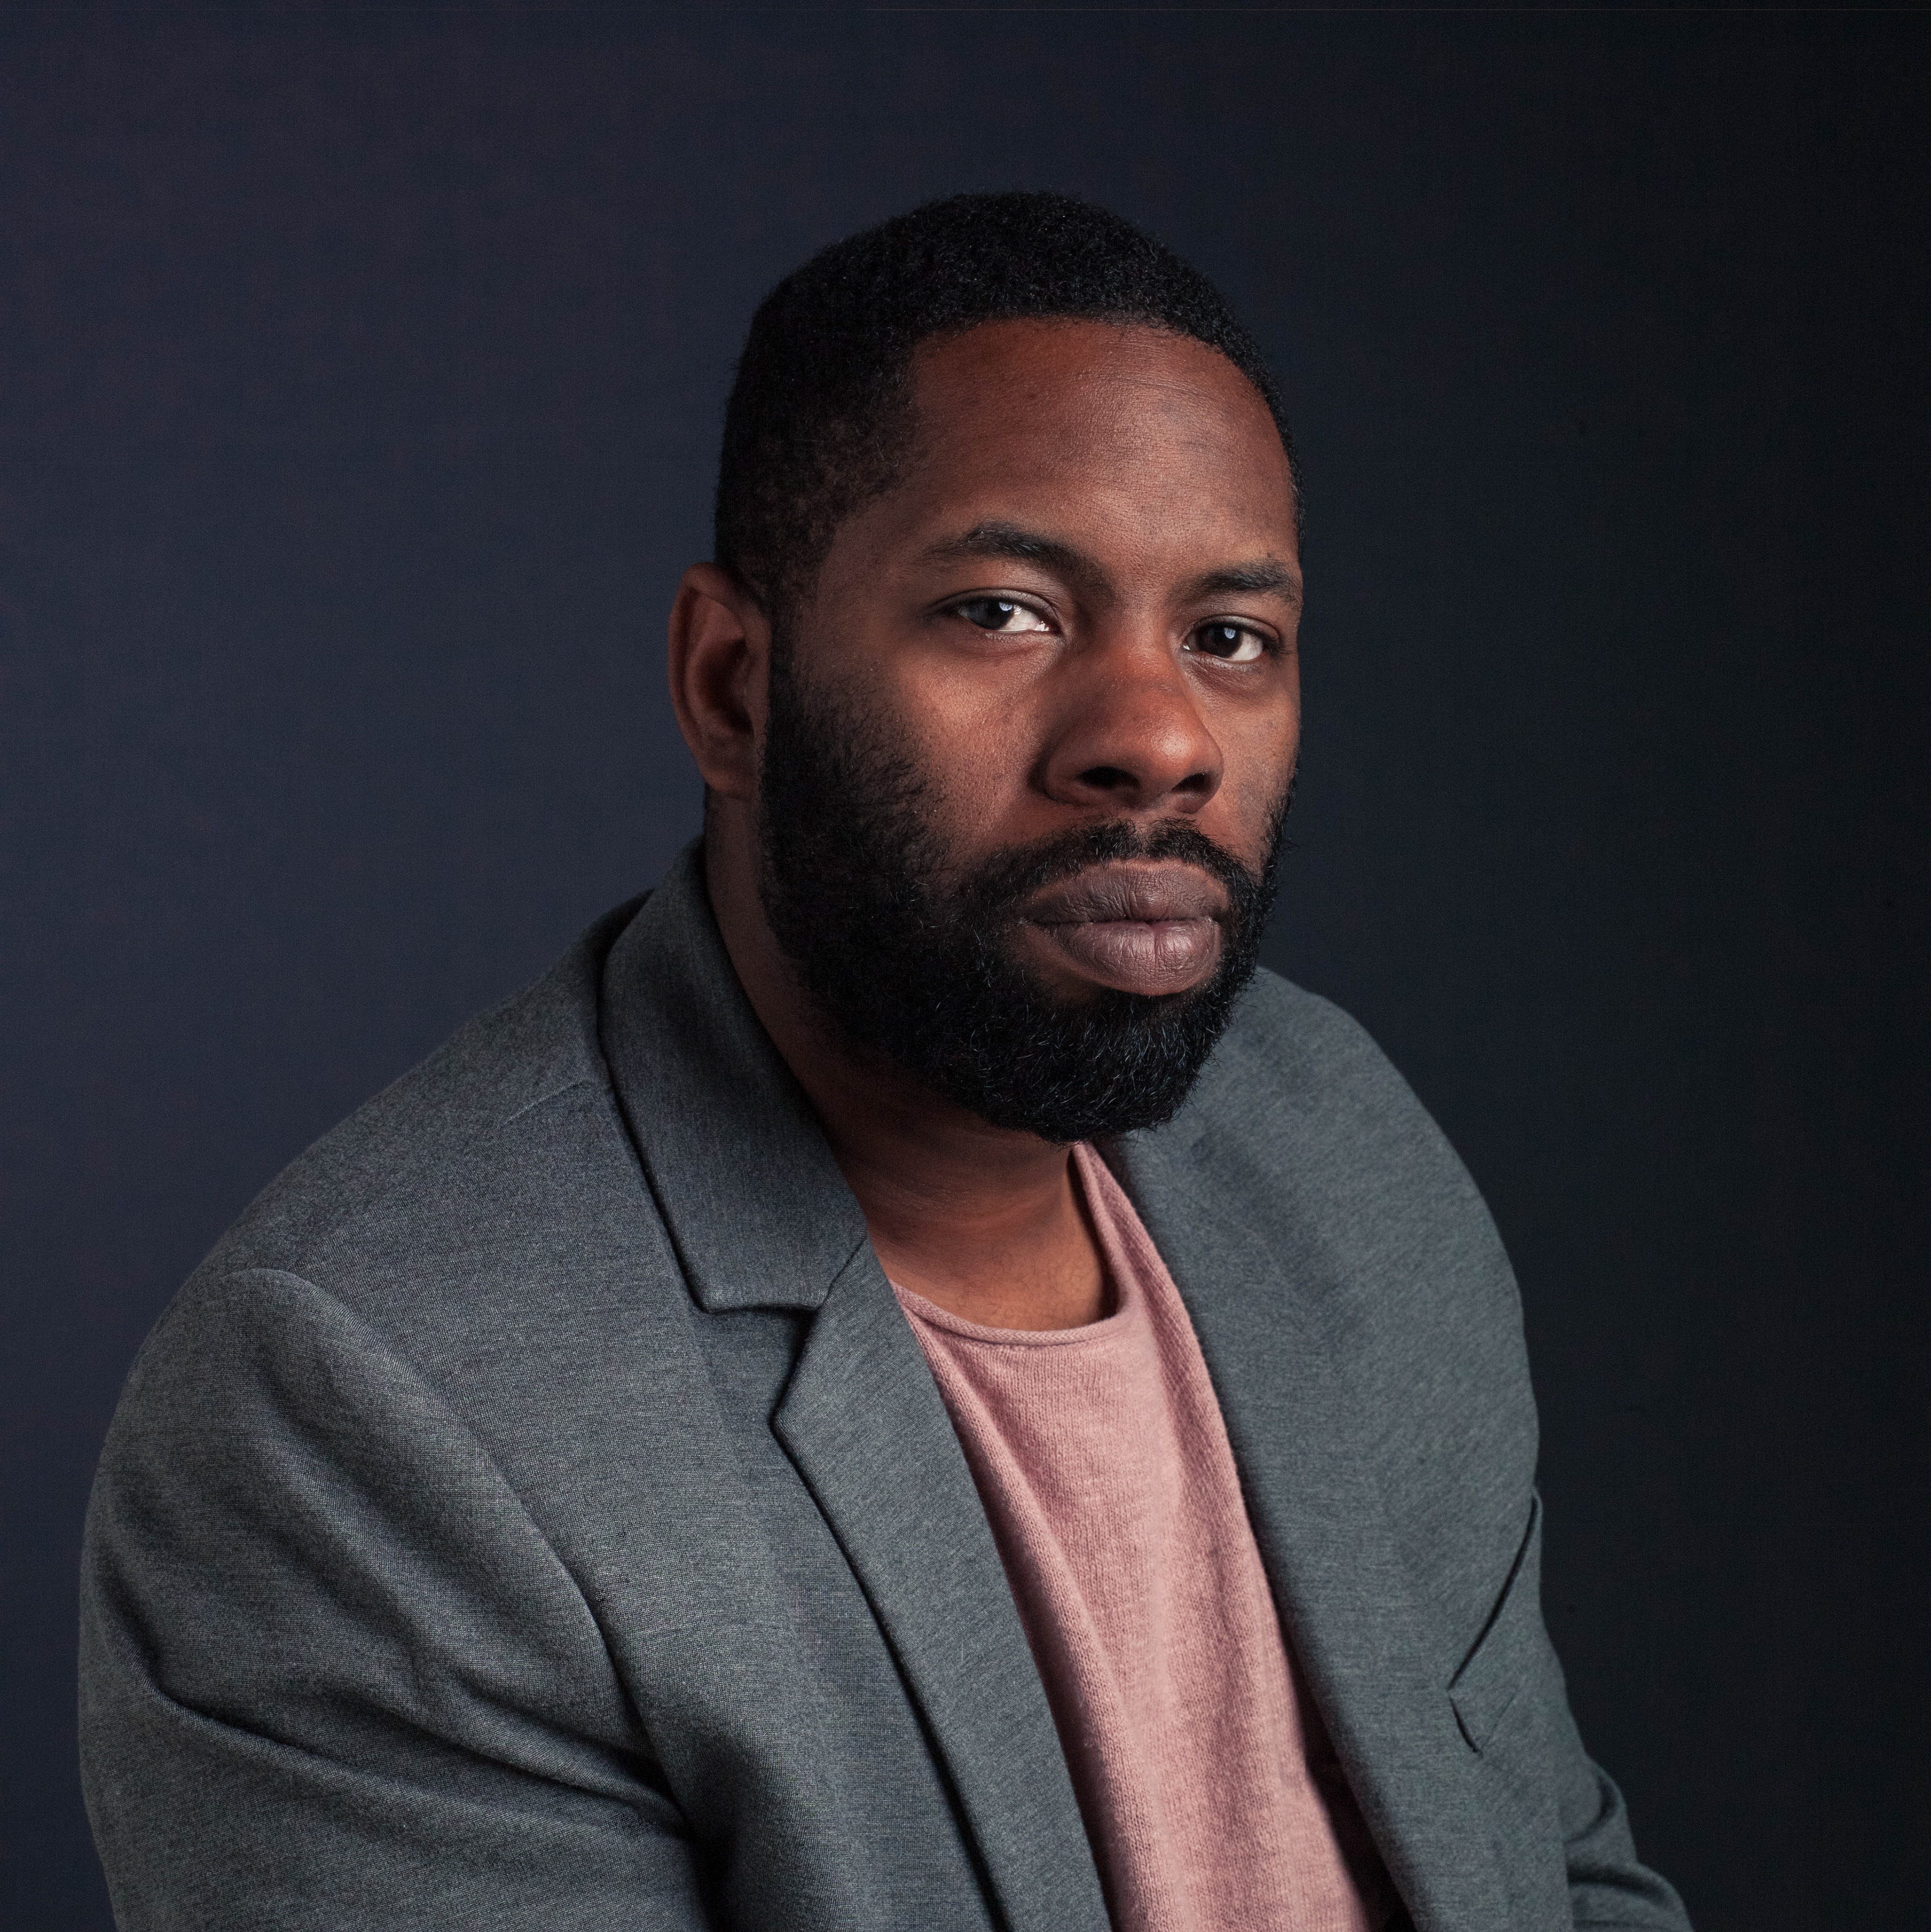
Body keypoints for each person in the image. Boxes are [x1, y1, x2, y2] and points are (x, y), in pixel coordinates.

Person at [79, 192, 1692, 1932]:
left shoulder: (1341, 1146)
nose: (1155, 738)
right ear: (732, 687)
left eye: (1230, 637)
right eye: (1005, 611)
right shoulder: (378, 1417)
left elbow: (1560, 1872)